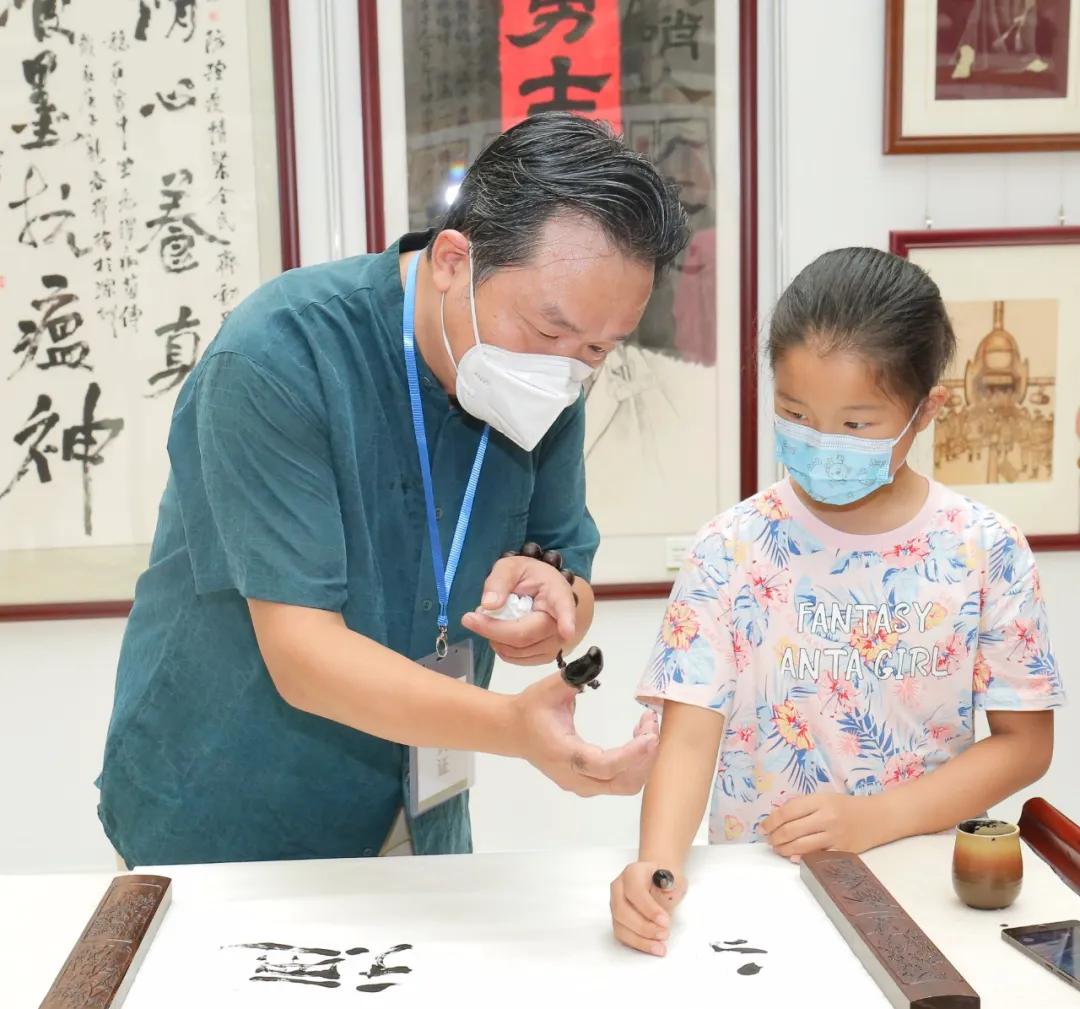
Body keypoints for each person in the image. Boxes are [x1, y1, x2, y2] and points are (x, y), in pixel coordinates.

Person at [98, 113, 690, 867]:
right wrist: (513, 727)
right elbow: (303, 654)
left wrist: (553, 608)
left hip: (421, 805)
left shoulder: (549, 385)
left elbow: (565, 567)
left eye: (599, 347)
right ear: (453, 261)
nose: (566, 369)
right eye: (548, 332)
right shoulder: (279, 355)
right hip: (230, 810)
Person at [609, 246, 1065, 955]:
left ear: (926, 411)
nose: (823, 444)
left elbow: (1025, 744)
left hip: (921, 885)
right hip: (757, 891)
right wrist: (656, 868)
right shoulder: (731, 546)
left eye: (856, 426)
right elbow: (689, 738)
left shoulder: (985, 549)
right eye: (796, 413)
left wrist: (876, 818)